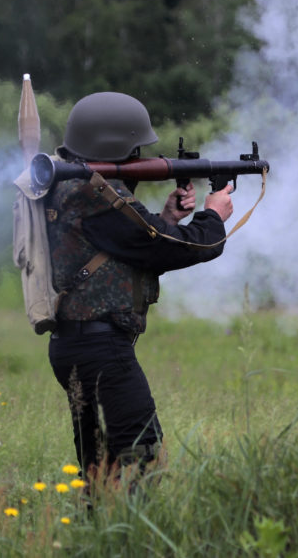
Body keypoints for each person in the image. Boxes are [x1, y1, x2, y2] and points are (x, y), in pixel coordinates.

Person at [44, 91, 233, 483]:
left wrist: (166, 216)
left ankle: (99, 539)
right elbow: (173, 248)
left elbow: (132, 249)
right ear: (117, 148)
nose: (138, 160)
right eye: (135, 152)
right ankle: (133, 538)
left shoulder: (69, 188)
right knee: (141, 457)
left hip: (76, 345)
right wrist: (213, 216)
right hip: (101, 350)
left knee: (101, 467)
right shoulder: (96, 196)